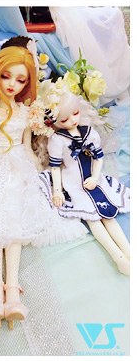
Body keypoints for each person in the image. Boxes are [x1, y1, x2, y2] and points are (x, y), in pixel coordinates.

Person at [0, 47, 86, 328]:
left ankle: (13, 289)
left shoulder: (26, 113)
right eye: (6, 76)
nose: (12, 84)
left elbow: (26, 147)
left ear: (27, 83)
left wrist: (43, 168)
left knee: (14, 221)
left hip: (18, 167)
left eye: (20, 80)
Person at [39, 91, 130, 275]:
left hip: (94, 180)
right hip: (73, 183)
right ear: (54, 121)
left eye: (75, 113)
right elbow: (55, 167)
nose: (73, 120)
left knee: (108, 214)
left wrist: (95, 177)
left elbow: (99, 158)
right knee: (93, 219)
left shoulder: (89, 133)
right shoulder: (57, 140)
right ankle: (118, 257)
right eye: (64, 119)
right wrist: (57, 191)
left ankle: (128, 251)